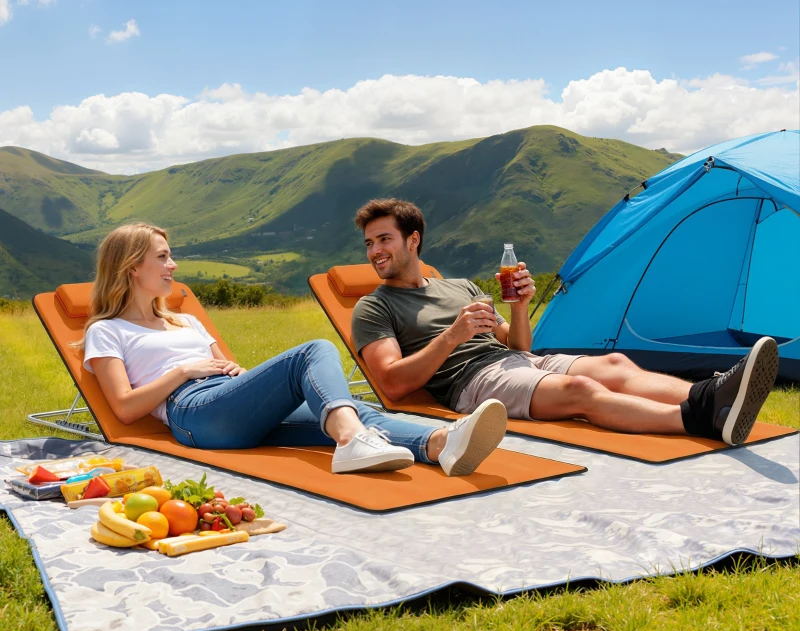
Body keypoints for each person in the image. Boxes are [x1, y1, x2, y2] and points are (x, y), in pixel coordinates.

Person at [79, 223, 508, 476]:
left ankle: (439, 444)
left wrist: (237, 376)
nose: (173, 266)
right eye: (163, 257)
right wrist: (185, 370)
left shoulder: (185, 319)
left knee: (349, 406)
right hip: (192, 412)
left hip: (230, 403)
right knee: (313, 351)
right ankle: (353, 442)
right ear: (132, 266)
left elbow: (235, 375)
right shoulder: (108, 331)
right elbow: (124, 408)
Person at [351, 199, 780, 447]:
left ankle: (714, 392)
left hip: (519, 362)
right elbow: (390, 383)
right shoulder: (374, 308)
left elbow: (518, 345)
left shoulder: (460, 286)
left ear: (413, 240)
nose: (375, 251)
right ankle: (698, 419)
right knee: (580, 391)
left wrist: (519, 306)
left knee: (614, 364)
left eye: (384, 239)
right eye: (370, 243)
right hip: (472, 383)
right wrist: (453, 335)